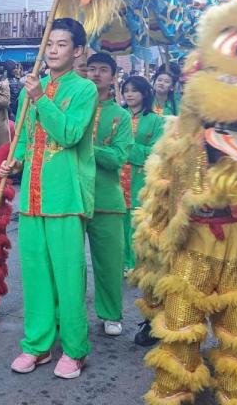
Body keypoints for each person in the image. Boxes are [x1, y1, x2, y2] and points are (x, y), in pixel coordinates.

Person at [0, 17, 97, 380]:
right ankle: (38, 345)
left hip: (65, 197)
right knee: (36, 275)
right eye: (49, 43)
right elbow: (23, 138)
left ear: (78, 51)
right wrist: (13, 161)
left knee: (69, 277)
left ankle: (74, 349)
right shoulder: (29, 89)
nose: (53, 50)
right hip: (31, 198)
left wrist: (40, 97)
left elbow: (69, 134)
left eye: (61, 44)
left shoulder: (84, 89)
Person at [84, 52, 134, 337]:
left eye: (103, 69)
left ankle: (111, 313)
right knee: (70, 265)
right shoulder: (73, 108)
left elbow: (117, 158)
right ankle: (68, 313)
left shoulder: (121, 116)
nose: (96, 74)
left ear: (113, 76)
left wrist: (84, 146)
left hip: (107, 199)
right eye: (91, 68)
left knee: (110, 264)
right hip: (73, 197)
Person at [119, 75, 165, 273]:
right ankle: (121, 262)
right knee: (119, 222)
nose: (129, 94)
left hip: (140, 179)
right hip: (116, 177)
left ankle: (137, 264)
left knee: (137, 222)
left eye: (134, 90)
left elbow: (156, 152)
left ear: (145, 93)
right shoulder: (118, 116)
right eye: (126, 90)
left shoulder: (156, 121)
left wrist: (126, 148)